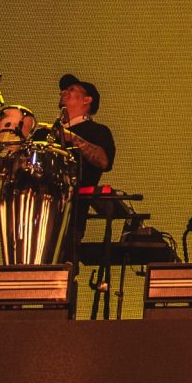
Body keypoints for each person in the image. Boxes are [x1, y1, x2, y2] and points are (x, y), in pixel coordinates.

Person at [51, 73, 117, 264]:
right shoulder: (45, 134)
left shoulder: (97, 132)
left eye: (71, 89)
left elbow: (103, 161)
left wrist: (71, 137)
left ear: (88, 100)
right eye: (63, 90)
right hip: (33, 215)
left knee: (61, 269)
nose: (63, 92)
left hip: (71, 216)